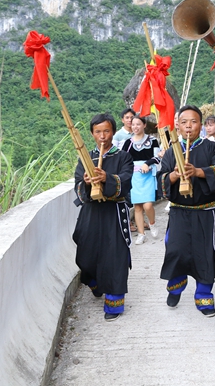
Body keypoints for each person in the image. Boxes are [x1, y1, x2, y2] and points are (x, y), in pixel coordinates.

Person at [159, 105, 215, 317]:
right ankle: (176, 286)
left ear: (201, 124)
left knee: (205, 255)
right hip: (180, 212)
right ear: (178, 126)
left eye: (194, 122)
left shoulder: (213, 148)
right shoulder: (171, 152)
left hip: (206, 212)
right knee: (176, 251)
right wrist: (172, 176)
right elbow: (161, 181)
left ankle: (203, 296)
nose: (189, 126)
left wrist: (198, 172)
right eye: (184, 122)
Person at [73, 113, 134, 321]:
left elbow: (126, 181)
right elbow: (78, 187)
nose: (102, 136)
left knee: (115, 256)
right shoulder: (85, 158)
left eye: (106, 131)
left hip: (114, 212)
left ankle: (114, 303)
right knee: (85, 255)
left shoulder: (123, 156)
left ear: (113, 132)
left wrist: (107, 177)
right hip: (91, 212)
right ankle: (95, 282)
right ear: (92, 134)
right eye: (98, 132)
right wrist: (87, 182)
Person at [121, 115, 161, 244]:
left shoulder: (152, 140)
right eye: (133, 124)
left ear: (144, 125)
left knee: (148, 205)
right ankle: (141, 234)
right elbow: (123, 160)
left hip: (148, 176)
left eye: (138, 124)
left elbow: (157, 158)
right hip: (134, 177)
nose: (135, 127)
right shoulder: (128, 142)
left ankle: (152, 223)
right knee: (137, 207)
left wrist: (147, 163)